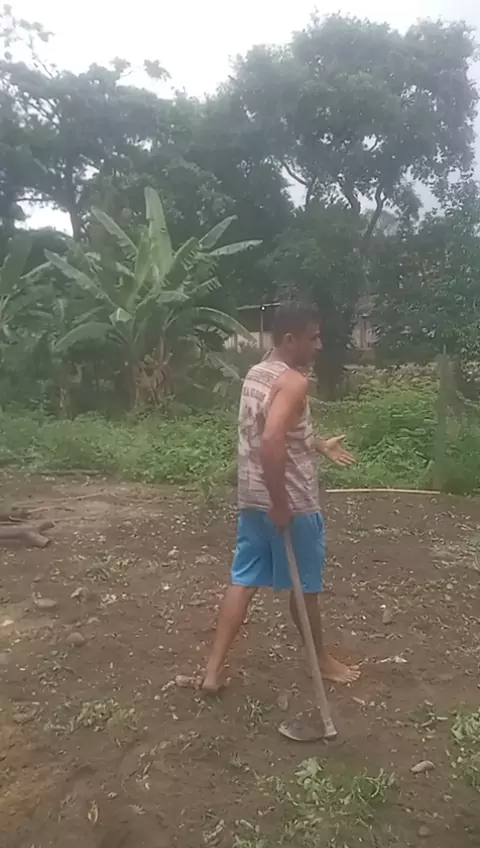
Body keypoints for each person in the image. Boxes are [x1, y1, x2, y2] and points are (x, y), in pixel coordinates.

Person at [203, 302, 360, 692]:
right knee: (305, 586)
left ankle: (212, 671)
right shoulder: (293, 382)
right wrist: (280, 504)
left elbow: (270, 429)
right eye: (313, 337)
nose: (319, 345)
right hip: (290, 504)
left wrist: (317, 444)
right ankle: (320, 661)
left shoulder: (257, 373)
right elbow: (272, 439)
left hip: (252, 498)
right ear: (290, 339)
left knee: (243, 580)